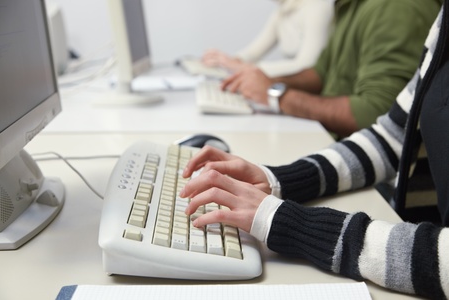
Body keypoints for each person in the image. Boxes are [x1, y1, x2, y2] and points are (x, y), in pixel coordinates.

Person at [179, 2, 449, 299]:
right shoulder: (442, 22)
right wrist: (277, 180)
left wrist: (291, 224)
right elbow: (393, 136)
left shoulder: (400, 8)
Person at [221, 0, 442, 139]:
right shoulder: (350, 6)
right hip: (336, 140)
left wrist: (277, 96)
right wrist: (265, 85)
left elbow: (374, 114)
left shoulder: (395, 8)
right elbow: (321, 72)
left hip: (375, 176)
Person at [201, 0, 335, 77]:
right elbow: (253, 52)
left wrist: (245, 68)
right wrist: (226, 60)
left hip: (320, 95)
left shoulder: (318, 8)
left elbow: (308, 66)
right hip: (296, 88)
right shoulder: (282, 11)